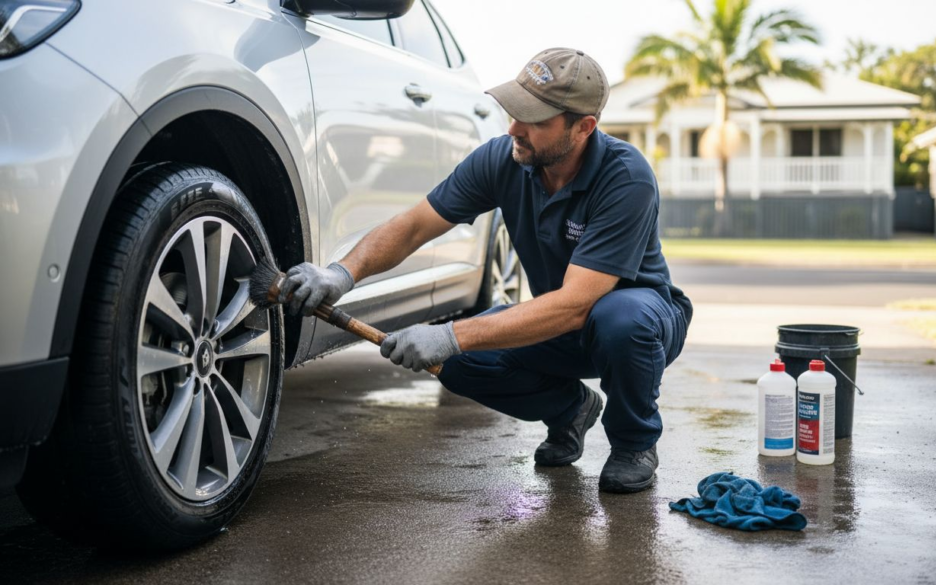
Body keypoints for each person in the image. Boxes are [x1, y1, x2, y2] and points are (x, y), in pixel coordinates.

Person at [279, 48, 692, 493]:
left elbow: (577, 304)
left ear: (583, 127)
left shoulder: (625, 176)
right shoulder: (504, 158)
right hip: (559, 322)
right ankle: (570, 410)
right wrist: (341, 273)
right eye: (514, 111)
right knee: (458, 362)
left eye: (534, 119)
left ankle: (633, 444)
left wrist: (450, 333)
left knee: (619, 319)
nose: (514, 128)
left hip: (639, 323)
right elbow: (414, 225)